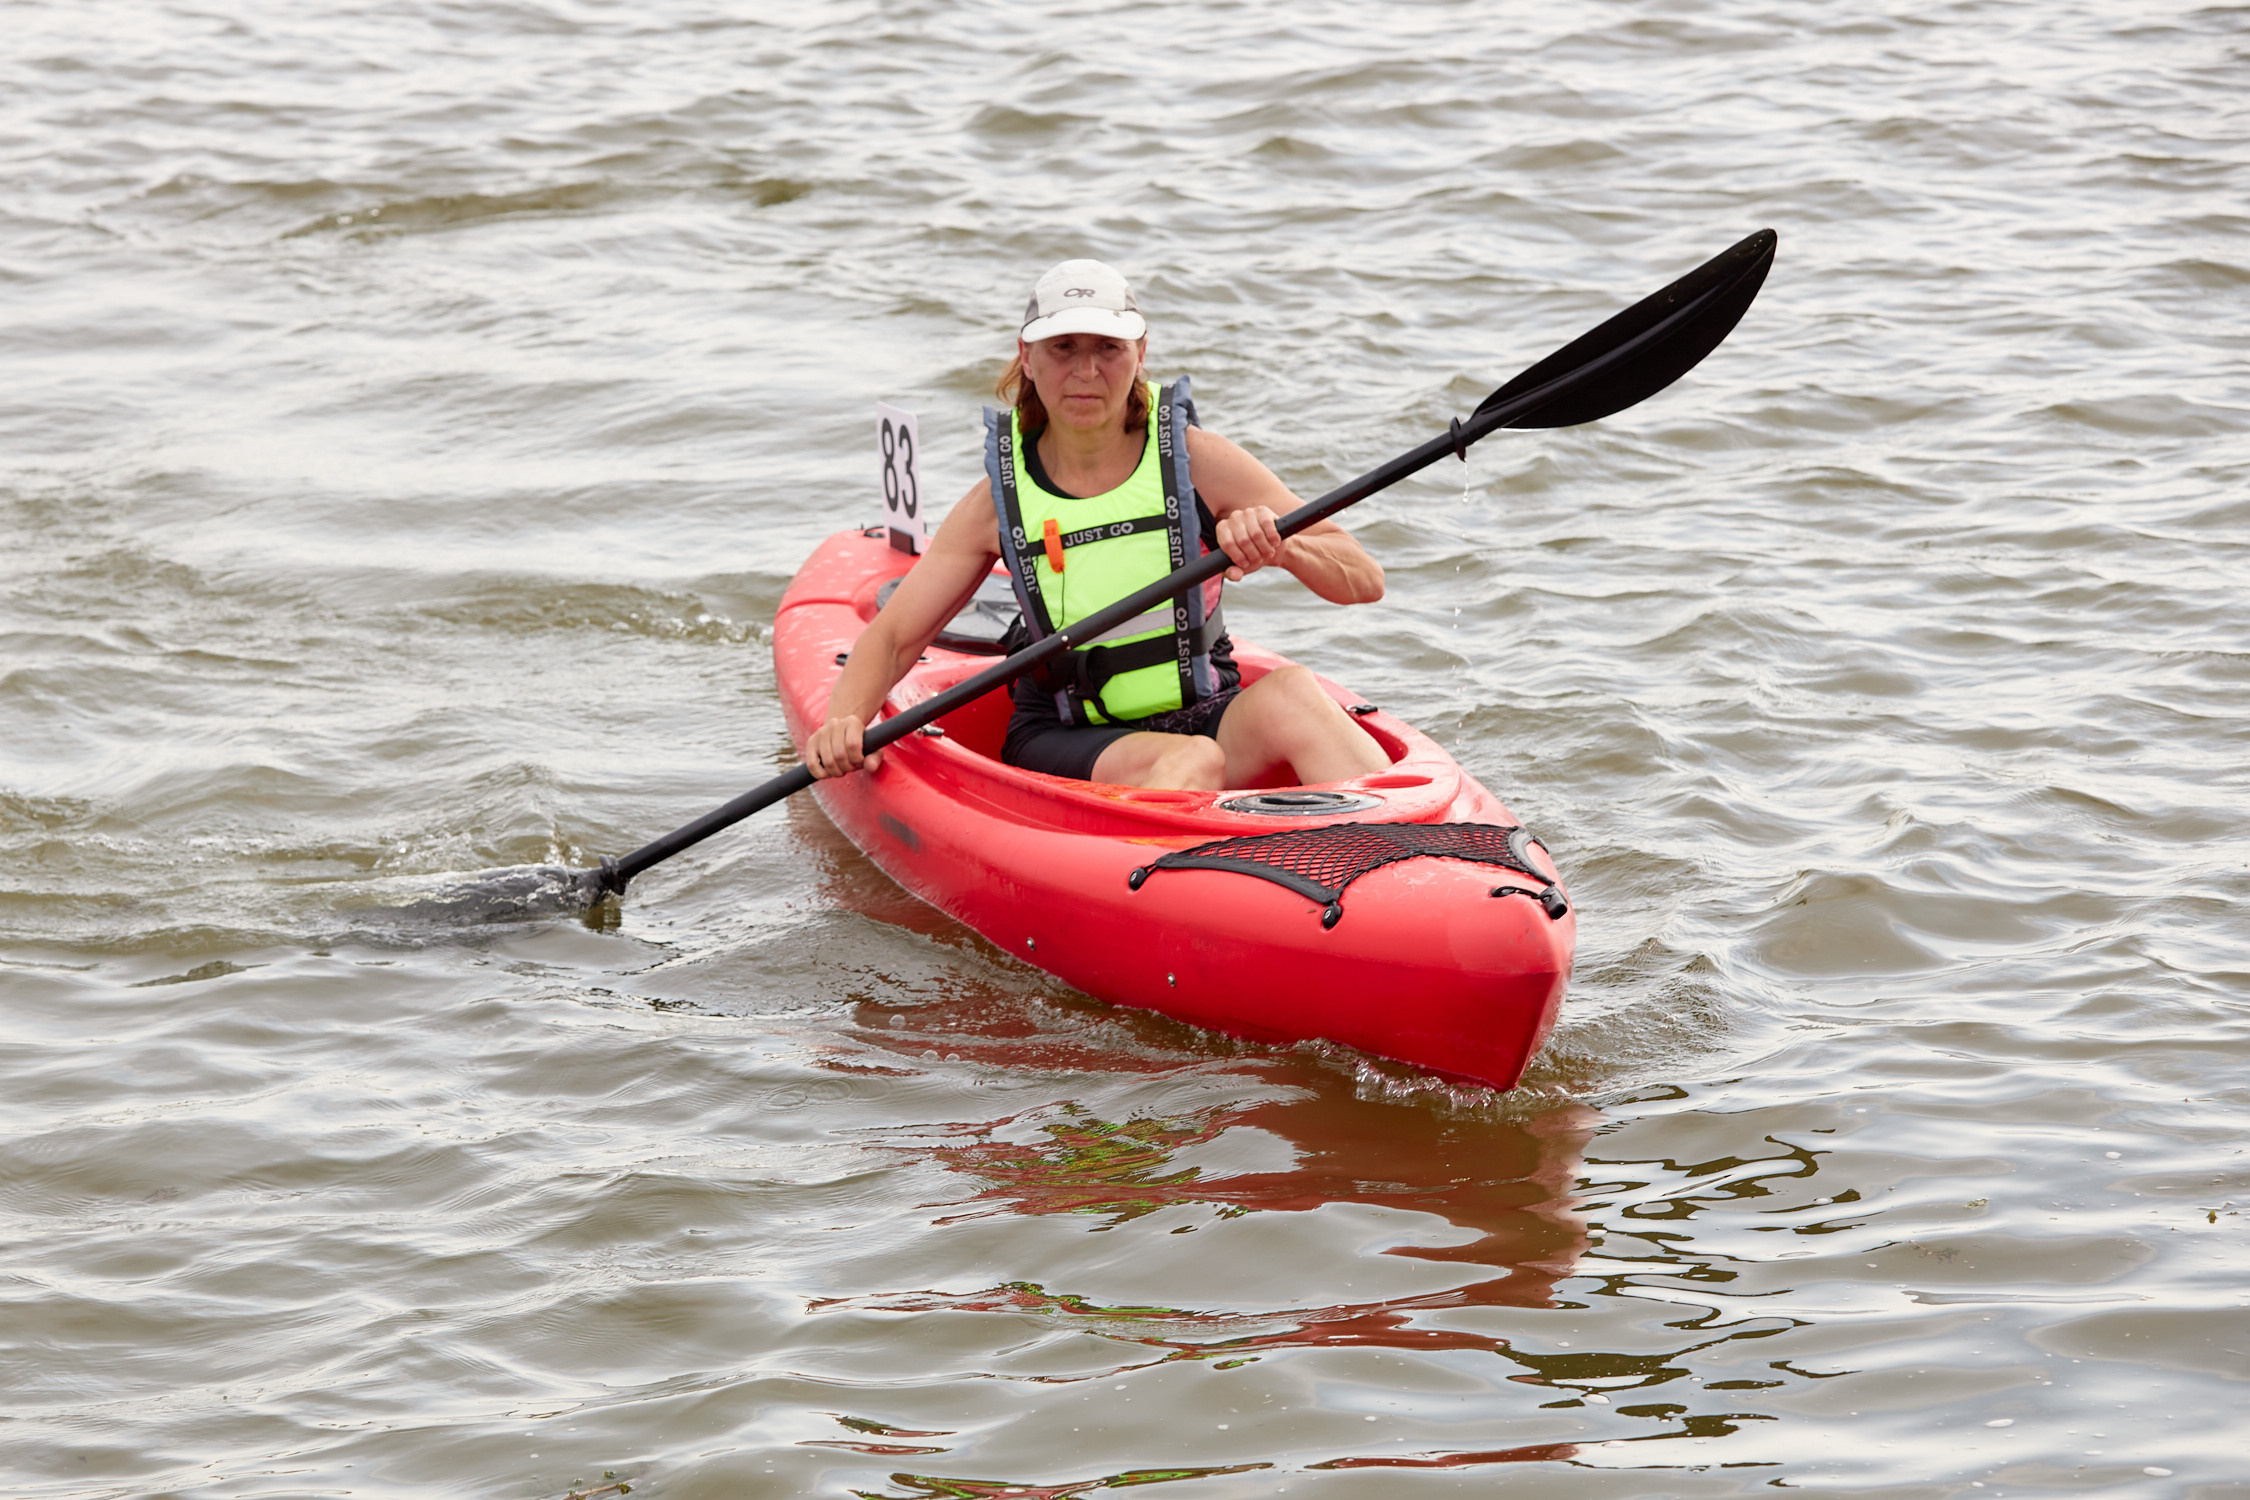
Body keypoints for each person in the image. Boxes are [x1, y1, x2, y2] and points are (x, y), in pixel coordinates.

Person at [807, 258, 1390, 791]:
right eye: (1063, 347)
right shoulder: (996, 502)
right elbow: (894, 637)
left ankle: (1411, 855)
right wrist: (843, 721)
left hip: (1206, 714)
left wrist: (1283, 549)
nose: (1086, 370)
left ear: (1140, 353)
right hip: (1067, 736)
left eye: (1107, 347)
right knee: (1190, 764)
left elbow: (1364, 580)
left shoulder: (1199, 461)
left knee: (1293, 693)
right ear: (1027, 358)